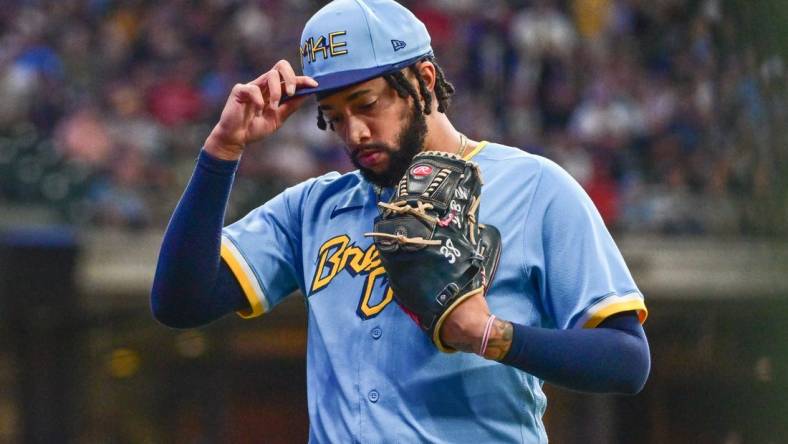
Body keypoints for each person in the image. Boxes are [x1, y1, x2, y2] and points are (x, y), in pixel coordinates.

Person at [151, 0, 651, 442]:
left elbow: (626, 360)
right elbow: (180, 302)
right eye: (333, 115)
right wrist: (222, 150)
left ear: (424, 81)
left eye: (367, 104)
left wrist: (489, 333)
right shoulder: (313, 209)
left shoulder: (534, 187)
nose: (354, 131)